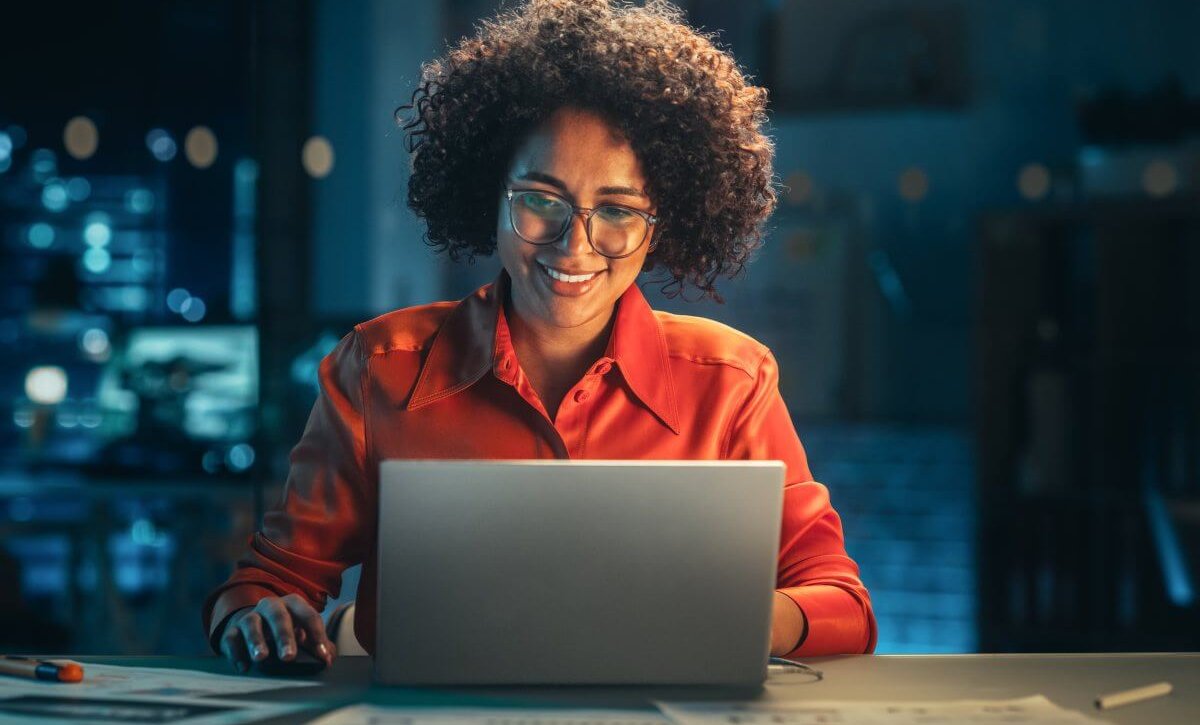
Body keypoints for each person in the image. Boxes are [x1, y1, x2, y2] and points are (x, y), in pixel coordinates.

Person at [205, 0, 877, 673]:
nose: (574, 245)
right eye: (539, 199)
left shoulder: (730, 379)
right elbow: (267, 581)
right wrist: (258, 614)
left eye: (616, 210)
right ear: (489, 195)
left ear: (660, 223)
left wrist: (735, 618)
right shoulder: (380, 368)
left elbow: (844, 603)